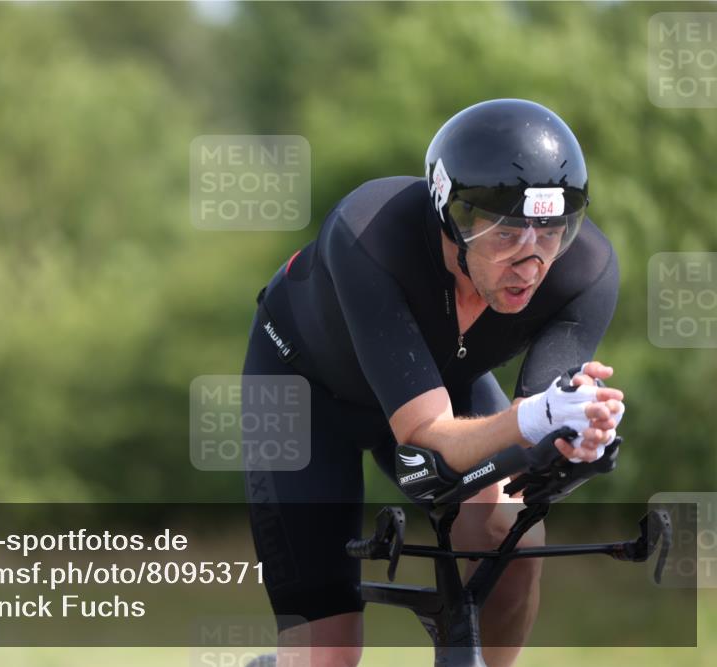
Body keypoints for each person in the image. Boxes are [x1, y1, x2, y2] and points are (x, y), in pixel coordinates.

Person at [241, 99, 626, 667]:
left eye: (552, 233)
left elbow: (535, 418)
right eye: (507, 235)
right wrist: (532, 420)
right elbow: (425, 432)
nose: (532, 262)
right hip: (305, 395)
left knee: (511, 537)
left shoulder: (584, 269)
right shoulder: (370, 232)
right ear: (451, 216)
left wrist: (578, 429)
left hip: (444, 387)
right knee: (327, 655)